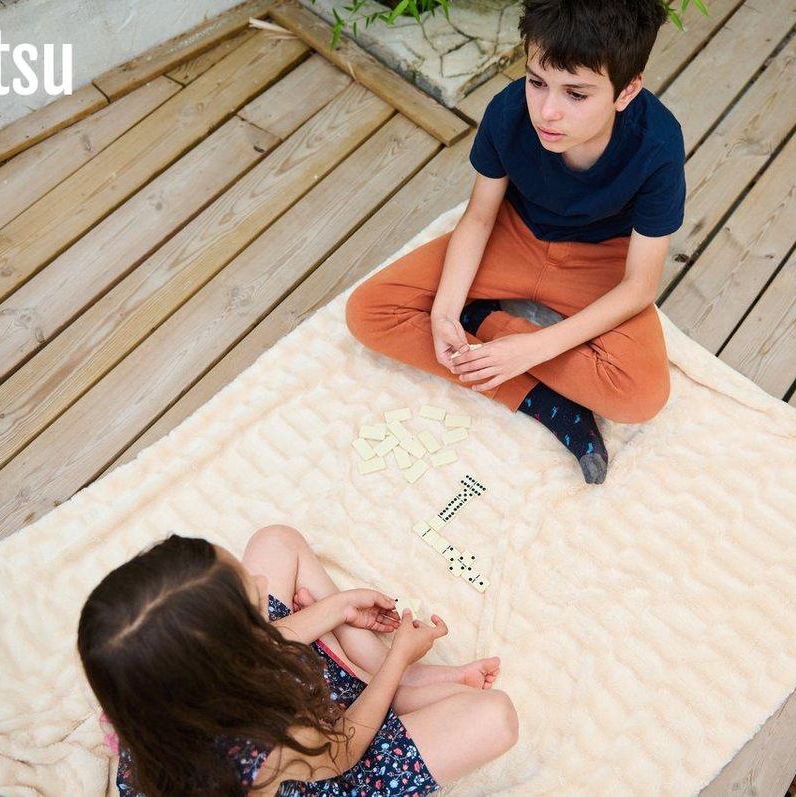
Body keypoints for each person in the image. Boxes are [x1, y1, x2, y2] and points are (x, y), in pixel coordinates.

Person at [346, 0, 685, 484]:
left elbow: (639, 286)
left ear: (626, 91)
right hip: (512, 235)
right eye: (537, 81)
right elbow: (479, 217)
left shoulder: (658, 143)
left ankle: (483, 322)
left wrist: (529, 347)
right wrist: (445, 311)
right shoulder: (509, 111)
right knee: (369, 311)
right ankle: (544, 404)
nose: (547, 111)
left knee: (641, 396)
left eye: (576, 94)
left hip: (599, 260)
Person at [77, 526, 518, 796]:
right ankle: (390, 679)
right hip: (325, 763)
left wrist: (338, 608)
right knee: (495, 716)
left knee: (276, 540)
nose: (261, 582)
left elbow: (261, 642)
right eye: (251, 595)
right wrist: (397, 660)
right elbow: (342, 751)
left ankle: (381, 671)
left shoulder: (145, 684)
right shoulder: (260, 749)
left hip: (279, 709)